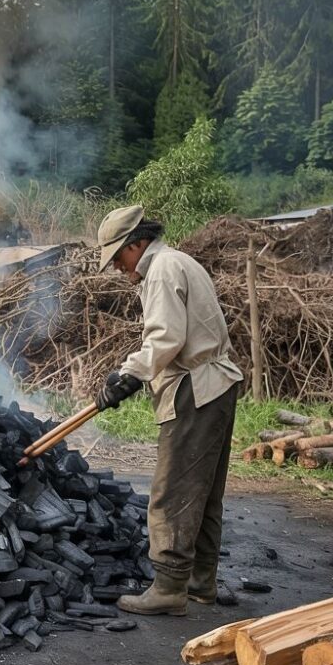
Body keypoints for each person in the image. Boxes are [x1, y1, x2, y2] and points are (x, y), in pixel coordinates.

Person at [94, 205, 243, 616]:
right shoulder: (179, 261)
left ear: (136, 244)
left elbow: (166, 338)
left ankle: (169, 589)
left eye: (119, 258)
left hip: (195, 388)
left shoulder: (160, 269)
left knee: (172, 490)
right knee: (205, 492)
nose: (119, 269)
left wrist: (129, 374)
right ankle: (200, 583)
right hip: (216, 384)